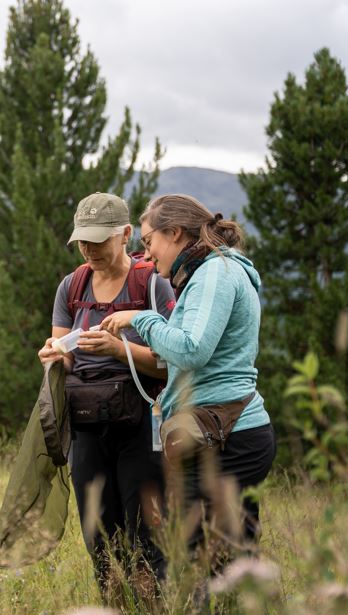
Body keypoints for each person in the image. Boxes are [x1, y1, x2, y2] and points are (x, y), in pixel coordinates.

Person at [101, 193, 276, 561]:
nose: (146, 256)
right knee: (225, 555)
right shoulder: (208, 273)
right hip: (220, 433)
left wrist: (140, 318)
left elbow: (191, 349)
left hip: (230, 438)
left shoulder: (215, 273)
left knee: (205, 558)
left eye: (149, 242)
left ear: (176, 233)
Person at [37, 192, 175, 596]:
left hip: (142, 424)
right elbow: (63, 356)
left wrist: (119, 350)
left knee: (145, 528)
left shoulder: (153, 285)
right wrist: (51, 355)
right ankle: (114, 611)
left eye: (99, 239)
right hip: (87, 423)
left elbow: (173, 359)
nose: (90, 249)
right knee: (96, 529)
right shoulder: (72, 286)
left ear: (126, 235)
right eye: (83, 240)